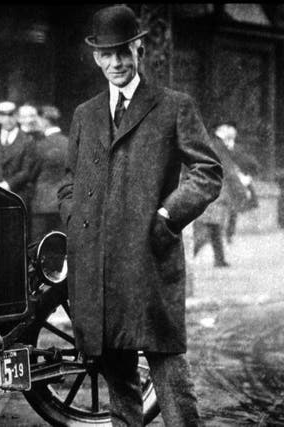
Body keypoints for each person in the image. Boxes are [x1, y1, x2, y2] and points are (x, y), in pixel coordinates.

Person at [57, 5, 223, 426]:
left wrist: (168, 215)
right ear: (95, 57)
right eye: (107, 54)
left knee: (168, 370)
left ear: (139, 49)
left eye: (124, 52)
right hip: (97, 265)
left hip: (149, 259)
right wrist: (75, 220)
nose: (116, 63)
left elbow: (207, 172)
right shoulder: (85, 115)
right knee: (118, 378)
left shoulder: (172, 106)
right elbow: (68, 181)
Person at [193, 134, 246, 267]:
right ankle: (189, 256)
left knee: (213, 227)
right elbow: (229, 173)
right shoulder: (220, 150)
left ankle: (219, 259)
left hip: (208, 192)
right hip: (216, 193)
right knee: (208, 229)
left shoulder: (207, 148)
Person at [0, 100, 38, 215]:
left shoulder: (27, 141)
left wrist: (6, 185)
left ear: (16, 117)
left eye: (11, 115)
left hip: (16, 197)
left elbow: (27, 171)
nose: (8, 119)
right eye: (3, 115)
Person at [214, 122, 260, 243]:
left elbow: (247, 160)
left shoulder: (237, 147)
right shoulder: (219, 146)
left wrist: (244, 173)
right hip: (226, 178)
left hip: (236, 177)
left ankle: (229, 233)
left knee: (233, 208)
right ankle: (222, 232)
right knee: (227, 207)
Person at [30, 105, 68, 240]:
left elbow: (31, 173)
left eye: (38, 120)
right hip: (63, 203)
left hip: (42, 204)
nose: (36, 123)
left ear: (45, 121)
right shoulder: (69, 142)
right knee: (60, 244)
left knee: (39, 246)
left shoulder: (40, 145)